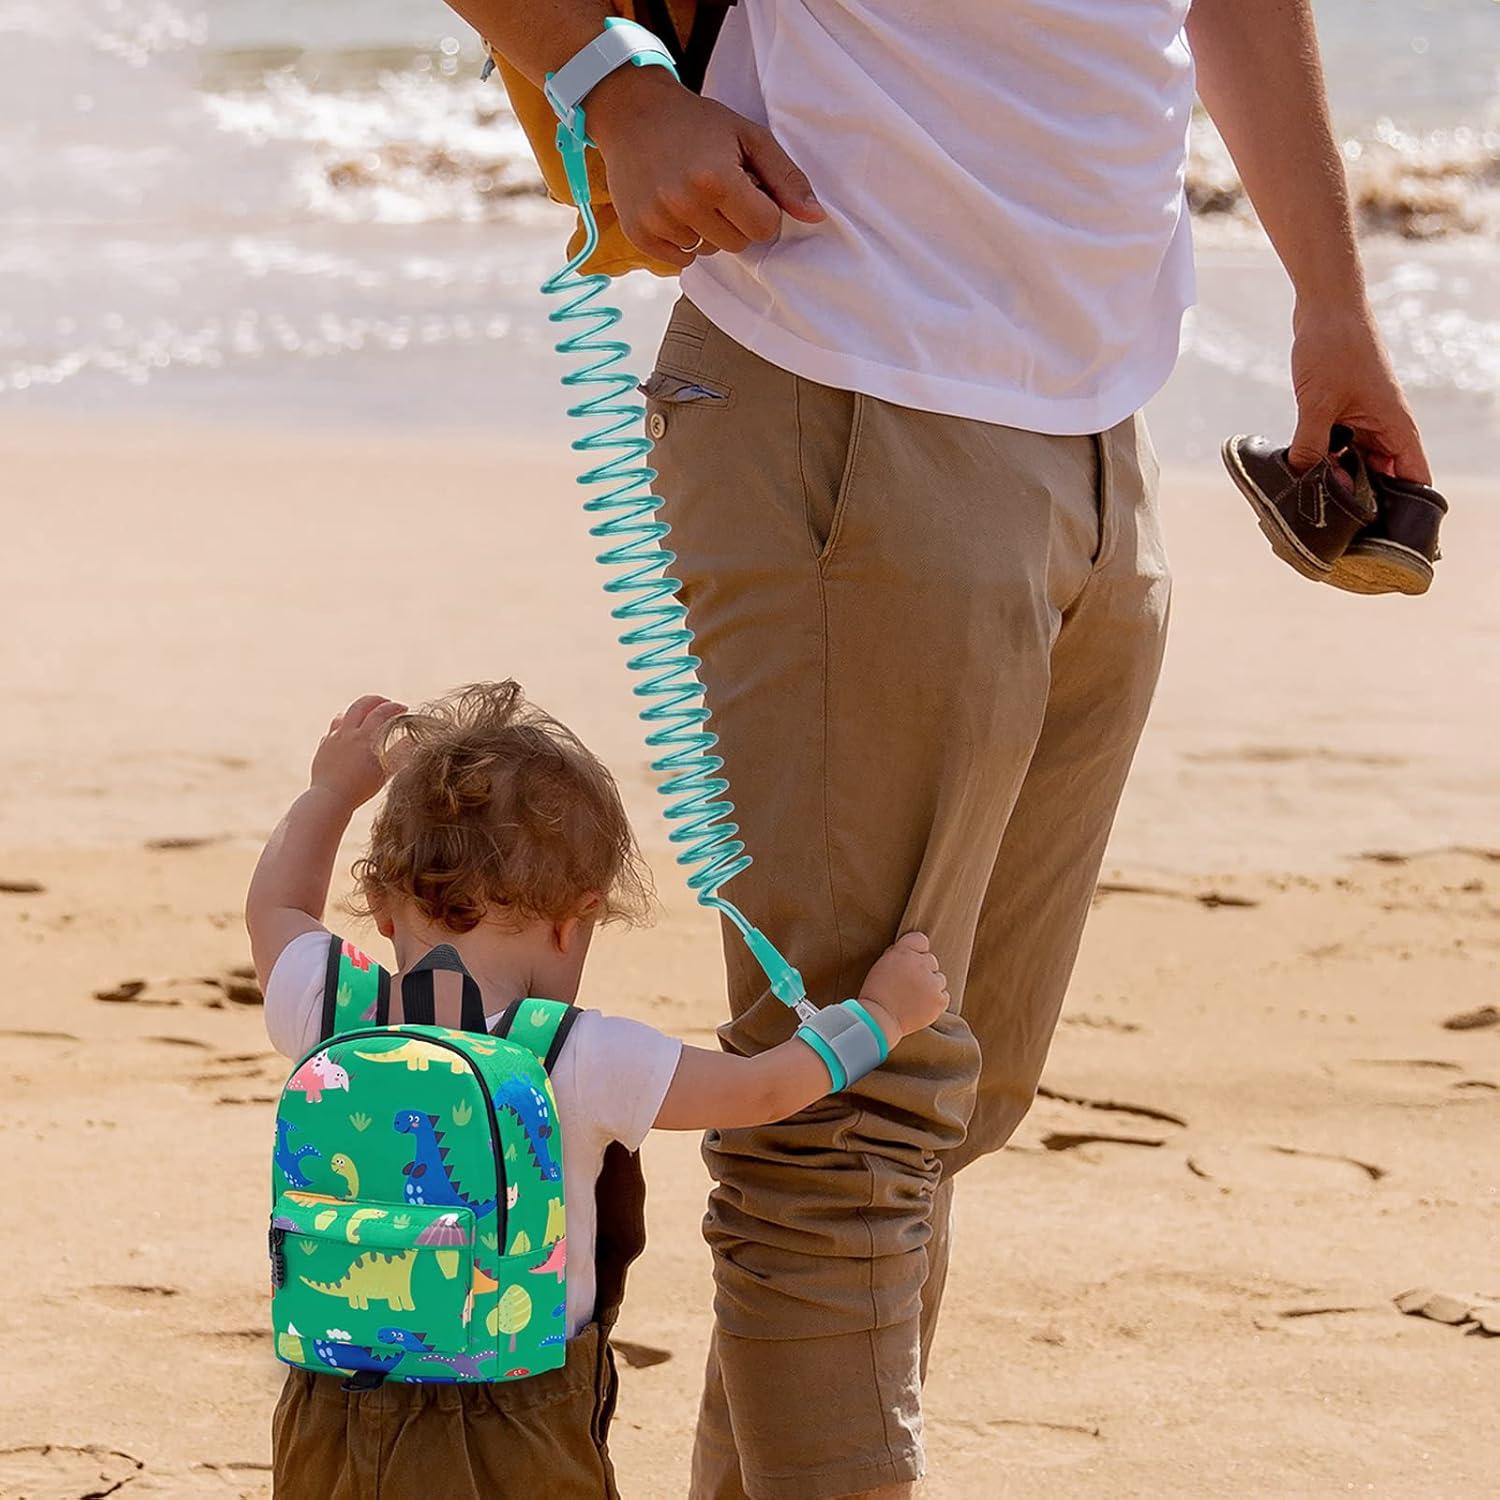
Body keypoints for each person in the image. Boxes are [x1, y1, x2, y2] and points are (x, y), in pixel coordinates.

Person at [447, 6, 1434, 1497]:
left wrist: (1329, 302)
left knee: (935, 1113)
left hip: (1100, 418)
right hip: (849, 373)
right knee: (846, 1127)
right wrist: (609, 80)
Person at [246, 684, 949, 1498]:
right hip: (514, 1415)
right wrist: (883, 1015)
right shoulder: (577, 1055)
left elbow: (277, 904)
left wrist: (330, 792)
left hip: (331, 1400)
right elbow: (764, 1089)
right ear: (575, 920)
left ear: (377, 900)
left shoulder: (328, 1005)